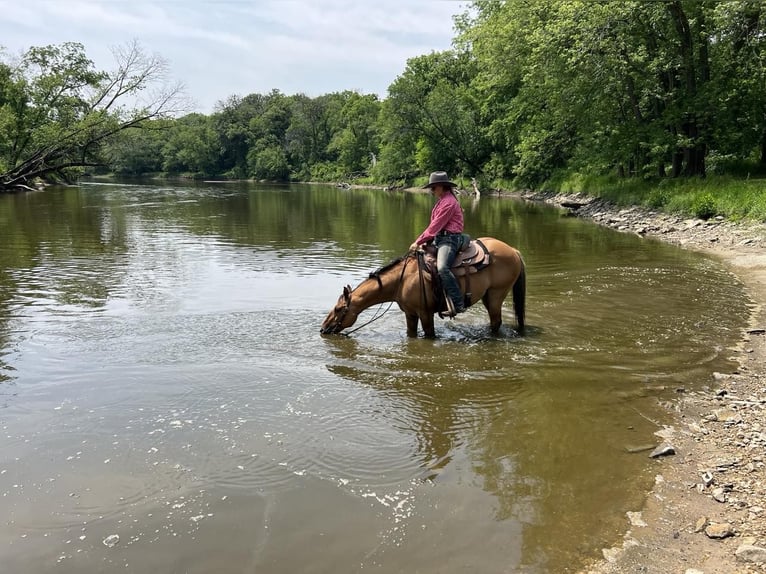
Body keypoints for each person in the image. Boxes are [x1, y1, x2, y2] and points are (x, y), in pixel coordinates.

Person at [409, 171, 466, 315]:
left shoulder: (448, 203)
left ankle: (458, 303)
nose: (432, 190)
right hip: (440, 238)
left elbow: (435, 225)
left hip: (449, 239)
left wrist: (418, 241)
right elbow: (436, 227)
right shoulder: (443, 200)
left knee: (442, 268)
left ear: (441, 186)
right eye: (431, 188)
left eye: (433, 187)